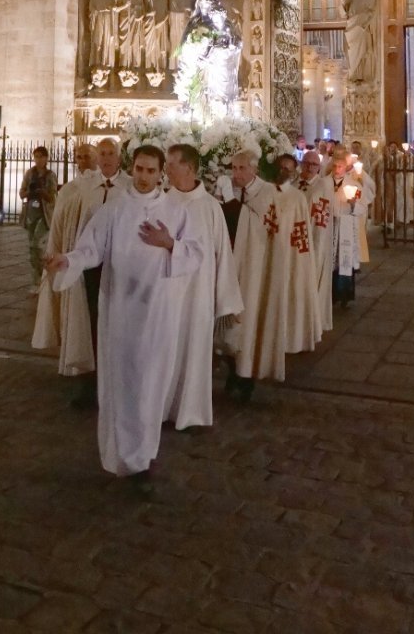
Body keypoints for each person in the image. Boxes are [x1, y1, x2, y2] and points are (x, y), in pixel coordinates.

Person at [46, 146, 203, 490]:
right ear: (132, 169)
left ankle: (144, 456)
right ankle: (126, 457)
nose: (144, 177)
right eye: (139, 169)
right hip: (120, 311)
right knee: (125, 384)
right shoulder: (115, 209)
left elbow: (196, 254)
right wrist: (68, 261)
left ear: (161, 173)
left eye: (151, 171)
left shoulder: (176, 211)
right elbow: (92, 248)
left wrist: (170, 244)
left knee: (151, 385)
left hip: (158, 311)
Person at [33, 138, 130, 399]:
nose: (107, 158)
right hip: (88, 269)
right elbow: (65, 224)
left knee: (117, 324)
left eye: (112, 153)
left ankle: (115, 380)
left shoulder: (130, 188)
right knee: (89, 322)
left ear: (120, 158)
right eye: (103, 153)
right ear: (97, 158)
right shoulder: (82, 189)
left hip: (121, 270)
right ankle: (89, 379)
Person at [163, 143, 242, 430]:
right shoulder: (161, 202)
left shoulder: (210, 208)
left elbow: (222, 254)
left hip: (198, 295)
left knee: (195, 353)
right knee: (164, 351)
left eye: (172, 164)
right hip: (166, 293)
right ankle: (161, 407)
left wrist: (226, 301)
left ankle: (191, 412)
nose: (166, 170)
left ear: (190, 167)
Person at [219, 149, 284, 400]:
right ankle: (231, 370)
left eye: (242, 168)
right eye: (233, 168)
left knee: (247, 320)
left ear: (254, 169)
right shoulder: (229, 192)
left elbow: (263, 227)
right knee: (225, 320)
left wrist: (233, 205)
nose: (237, 174)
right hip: (229, 262)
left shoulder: (267, 193)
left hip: (253, 267)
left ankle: (246, 376)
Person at [308, 146, 375, 327]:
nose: (337, 169)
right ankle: (329, 295)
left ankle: (344, 295)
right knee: (328, 260)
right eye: (335, 165)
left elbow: (363, 207)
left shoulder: (353, 185)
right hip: (328, 226)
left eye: (341, 166)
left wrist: (354, 205)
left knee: (343, 261)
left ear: (346, 167)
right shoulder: (323, 183)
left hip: (345, 225)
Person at [274, 155, 322, 354]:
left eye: (288, 169)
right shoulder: (264, 194)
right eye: (281, 168)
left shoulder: (297, 197)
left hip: (290, 253)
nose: (284, 172)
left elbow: (302, 231)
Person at [20, 147, 58, 293]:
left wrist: (42, 191)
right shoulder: (29, 174)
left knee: (38, 245)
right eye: (36, 156)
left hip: (44, 214)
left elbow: (52, 197)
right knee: (31, 247)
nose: (38, 160)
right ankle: (35, 279)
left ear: (47, 158)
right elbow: (21, 193)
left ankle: (45, 276)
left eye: (41, 157)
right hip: (31, 213)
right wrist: (30, 191)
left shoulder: (50, 175)